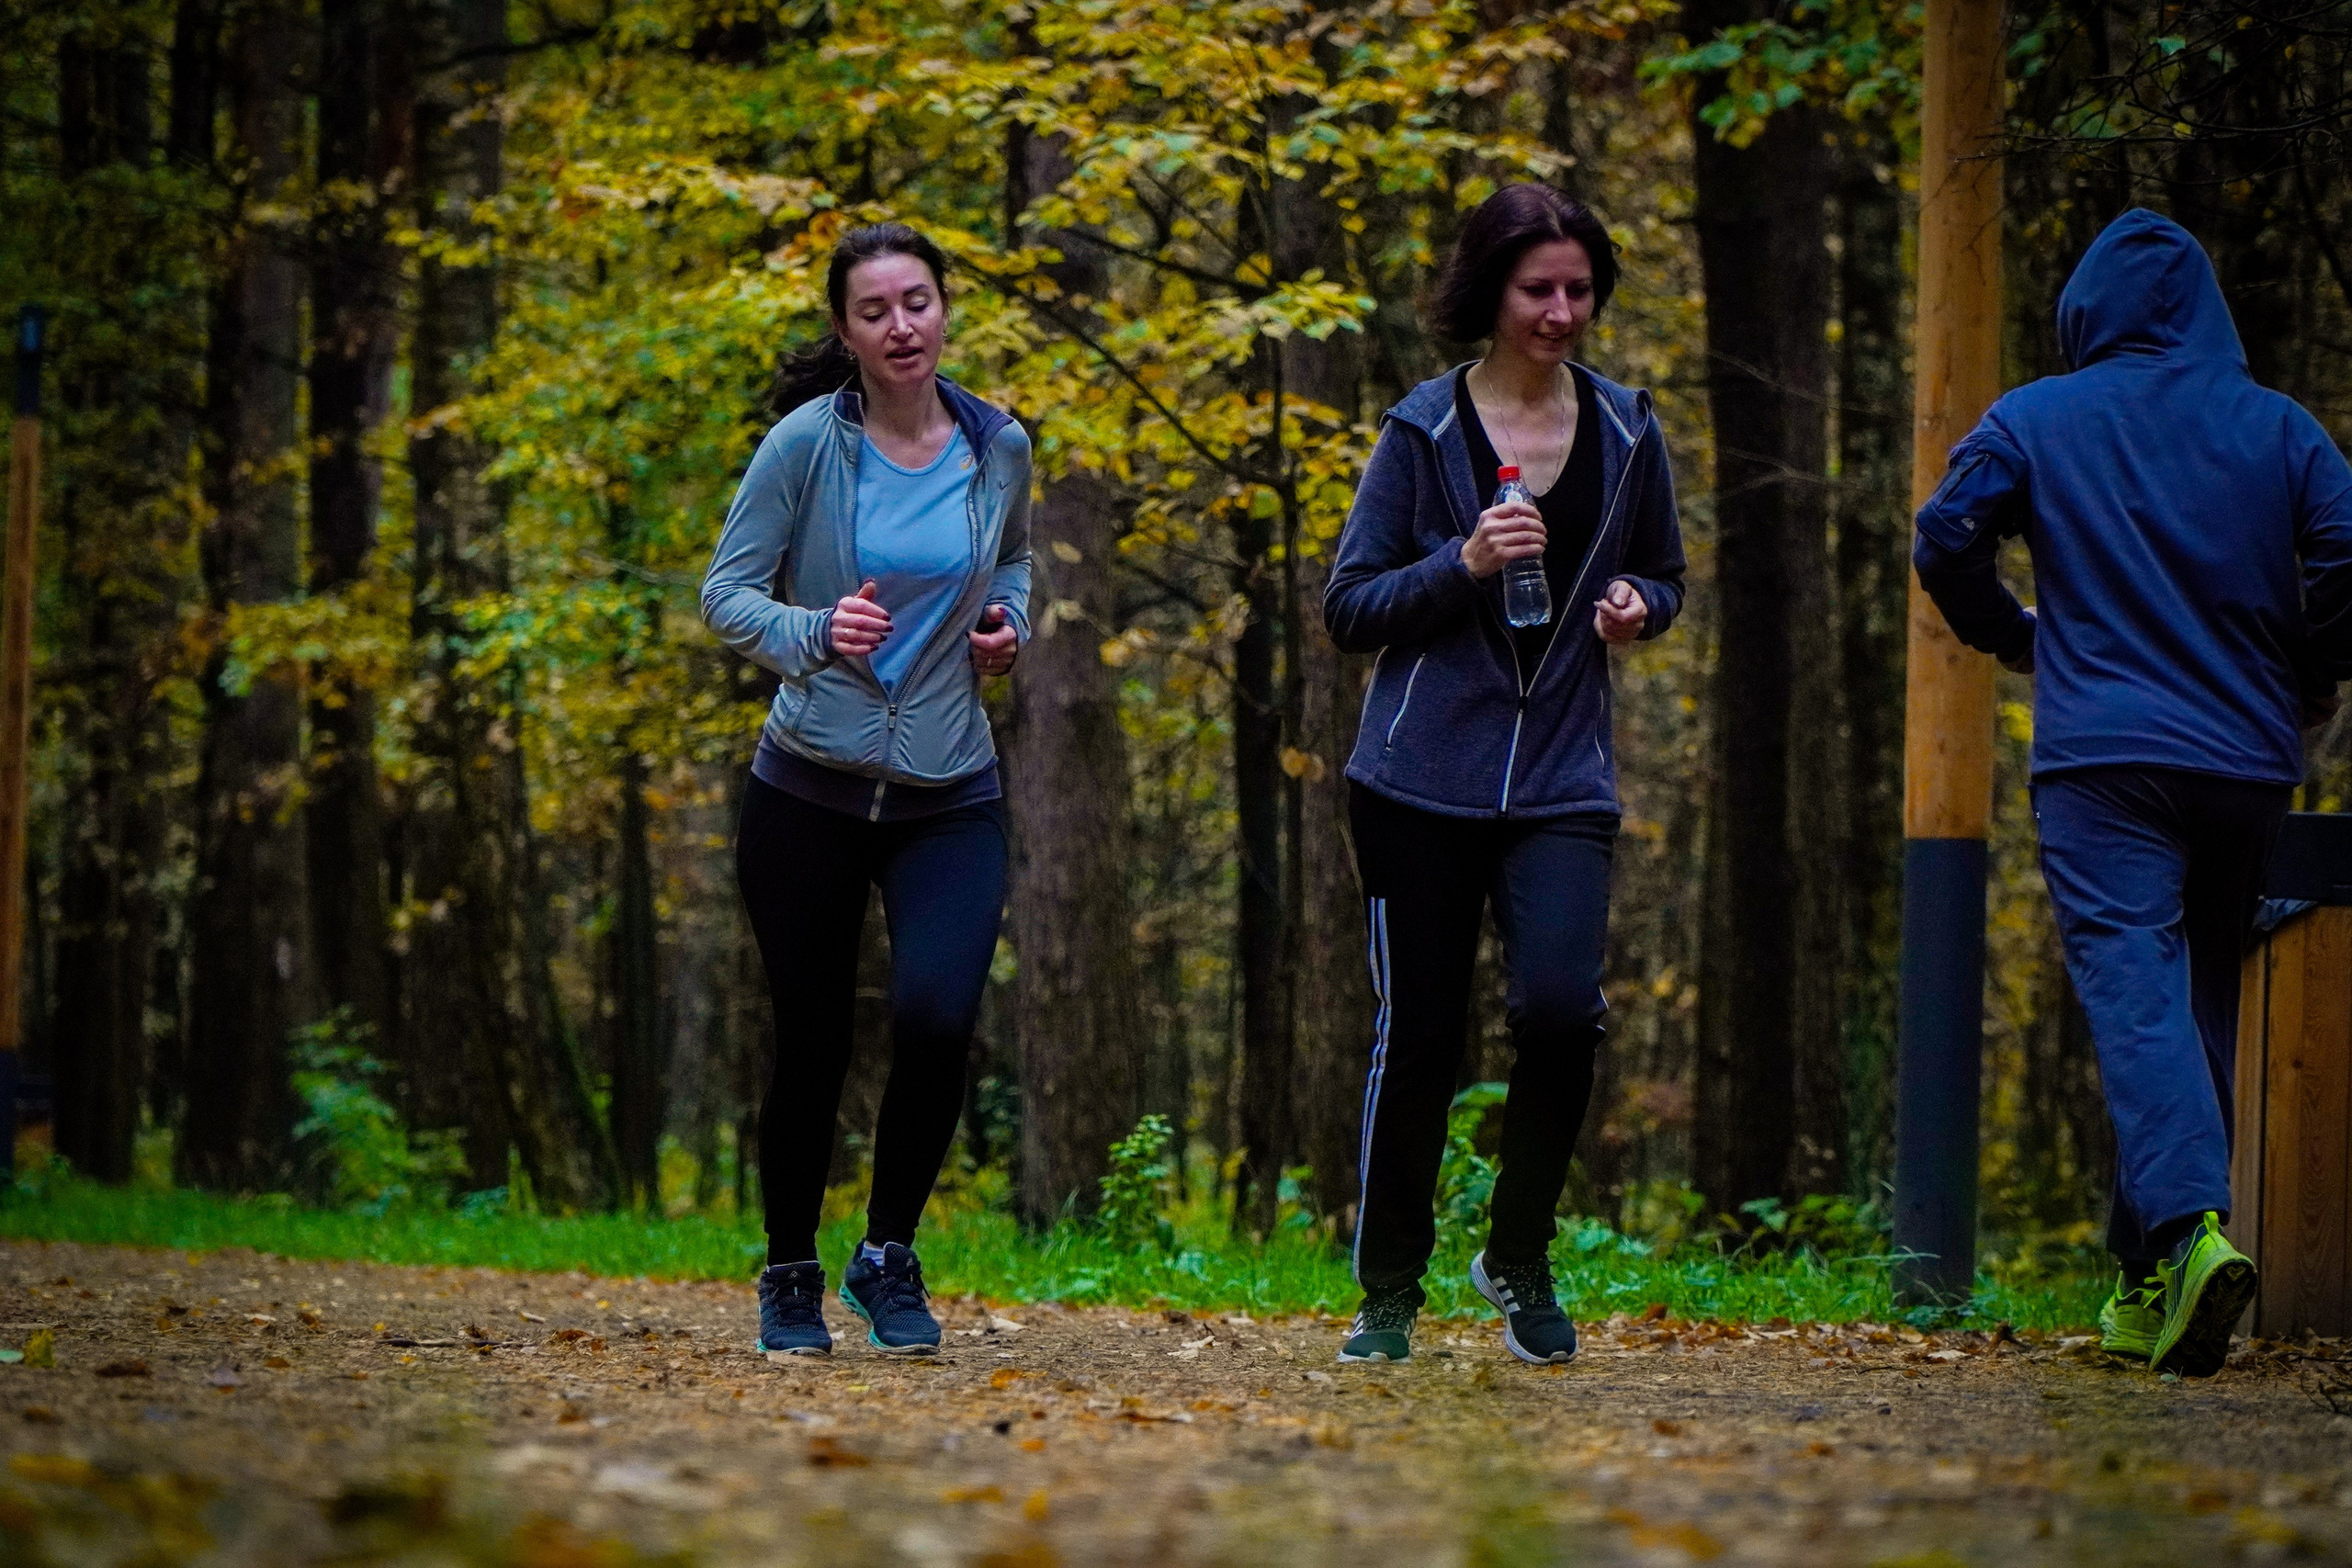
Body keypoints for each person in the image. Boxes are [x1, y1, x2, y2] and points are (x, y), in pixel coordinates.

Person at [1915, 208, 2352, 1378]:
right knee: (2198, 992)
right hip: (2247, 761)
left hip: (2104, 761)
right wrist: (2308, 671)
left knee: (2134, 988)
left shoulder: (2038, 418)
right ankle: (2144, 1277)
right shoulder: (2282, 429)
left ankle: (2192, 1234)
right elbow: (2349, 562)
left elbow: (1945, 536)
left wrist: (2014, 635)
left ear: (2084, 313)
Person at [1321, 184, 1686, 1366]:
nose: (1563, 310)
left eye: (1580, 289)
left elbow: (1665, 575)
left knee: (1559, 1013)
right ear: (1492, 291)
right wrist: (1464, 559)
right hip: (1418, 778)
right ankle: (1388, 1292)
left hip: (1563, 778)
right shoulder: (1422, 431)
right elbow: (1349, 608)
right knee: (1419, 1034)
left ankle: (1516, 1255)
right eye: (1540, 289)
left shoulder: (1629, 428)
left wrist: (1642, 606)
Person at [700, 222, 1031, 1358]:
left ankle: (886, 1255)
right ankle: (789, 1270)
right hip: (810, 787)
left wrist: (1007, 623)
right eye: (876, 310)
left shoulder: (998, 446)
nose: (903, 326)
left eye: (919, 302)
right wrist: (812, 629)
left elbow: (1016, 558)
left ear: (946, 310)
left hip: (950, 784)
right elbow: (727, 593)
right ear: (845, 332)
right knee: (812, 1041)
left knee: (938, 1015)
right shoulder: (804, 447)